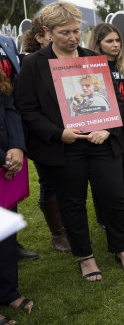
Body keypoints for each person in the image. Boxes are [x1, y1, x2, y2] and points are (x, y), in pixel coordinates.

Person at [16, 1, 124, 281]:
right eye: (65, 33)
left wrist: (107, 128)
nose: (73, 38)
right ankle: (85, 256)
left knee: (114, 196)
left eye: (76, 31)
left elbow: (114, 101)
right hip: (64, 147)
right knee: (72, 203)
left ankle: (120, 248)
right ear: (47, 31)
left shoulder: (93, 58)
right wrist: (59, 133)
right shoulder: (35, 64)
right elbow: (27, 110)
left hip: (101, 143)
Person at [21, 17, 71, 252]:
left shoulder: (71, 59)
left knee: (69, 182)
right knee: (48, 182)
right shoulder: (30, 63)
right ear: (41, 35)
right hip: (43, 134)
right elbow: (28, 105)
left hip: (67, 129)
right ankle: (57, 232)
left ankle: (71, 227)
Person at [87, 23, 124, 227]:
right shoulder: (90, 66)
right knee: (101, 177)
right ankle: (104, 218)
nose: (115, 45)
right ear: (98, 43)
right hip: (99, 128)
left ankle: (123, 214)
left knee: (123, 173)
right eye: (109, 41)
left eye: (117, 40)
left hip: (121, 127)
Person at [0, 67, 34, 325]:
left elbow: (9, 106)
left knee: (5, 232)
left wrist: (17, 147)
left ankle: (8, 291)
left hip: (5, 162)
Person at [1, 32, 39, 260]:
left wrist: (16, 144)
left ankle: (10, 245)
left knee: (8, 199)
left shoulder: (6, 42)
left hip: (10, 135)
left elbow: (10, 99)